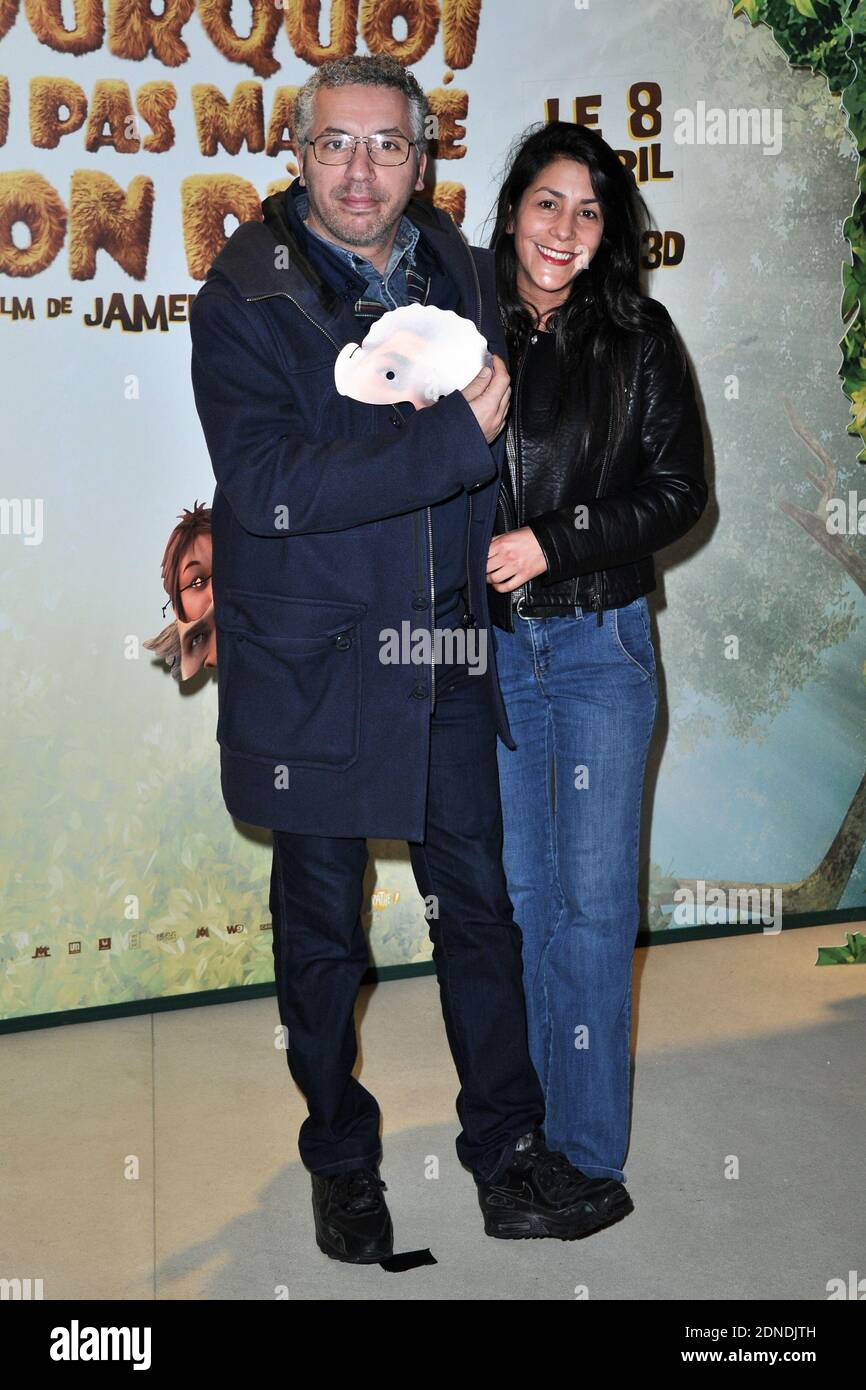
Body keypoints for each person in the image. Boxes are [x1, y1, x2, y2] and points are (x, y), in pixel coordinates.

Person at [189, 57, 632, 1264]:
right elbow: (268, 485)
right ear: (298, 152)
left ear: (420, 158)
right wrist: (447, 441)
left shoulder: (459, 265)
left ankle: (506, 1150)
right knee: (322, 937)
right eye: (336, 143)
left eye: (387, 146)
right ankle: (339, 1157)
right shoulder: (244, 293)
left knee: (476, 913)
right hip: (312, 666)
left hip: (437, 644)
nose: (360, 171)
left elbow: (535, 391)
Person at [486, 121, 707, 1195]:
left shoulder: (639, 336)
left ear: (606, 228)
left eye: (588, 209)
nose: (564, 229)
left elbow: (678, 494)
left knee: (588, 901)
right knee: (521, 898)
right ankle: (526, 1128)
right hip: (489, 655)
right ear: (513, 208)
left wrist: (552, 542)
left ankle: (584, 1151)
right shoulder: (457, 326)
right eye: (546, 203)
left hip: (597, 644)